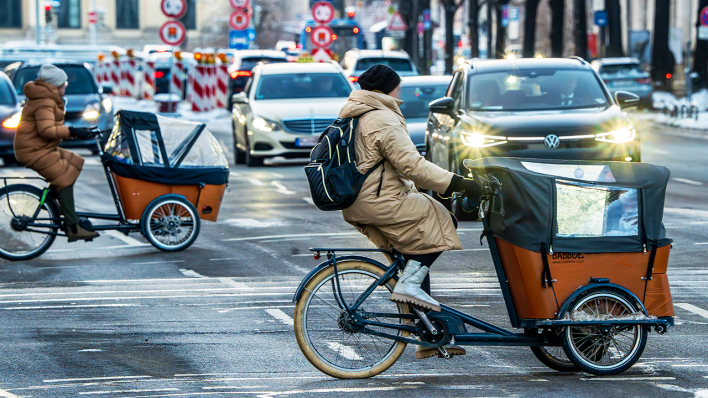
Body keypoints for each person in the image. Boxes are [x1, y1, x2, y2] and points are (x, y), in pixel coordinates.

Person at [337, 64, 482, 359]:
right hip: (379, 200)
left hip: (359, 201)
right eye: (398, 87)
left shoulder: (358, 112)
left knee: (414, 253)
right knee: (441, 218)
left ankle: (426, 333)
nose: (400, 92)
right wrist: (458, 184)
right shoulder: (382, 118)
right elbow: (412, 166)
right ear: (388, 87)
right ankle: (412, 290)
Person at [14, 64, 100, 242]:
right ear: (54, 86)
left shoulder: (47, 97)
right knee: (64, 176)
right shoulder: (44, 101)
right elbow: (46, 130)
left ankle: (54, 197)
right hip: (33, 149)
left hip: (41, 147)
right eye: (63, 83)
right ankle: (73, 226)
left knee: (76, 161)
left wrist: (78, 130)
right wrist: (73, 132)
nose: (66, 86)